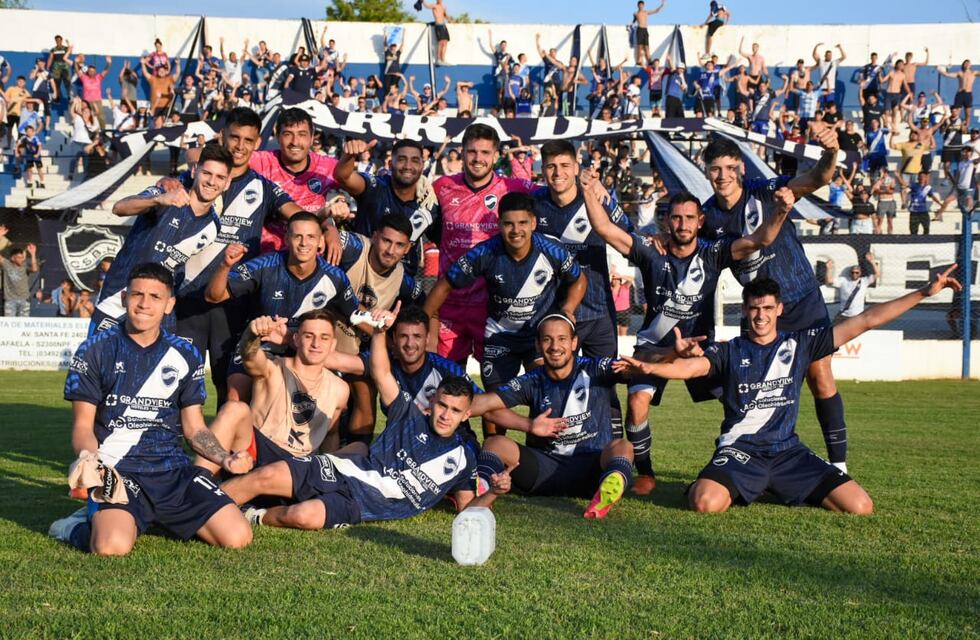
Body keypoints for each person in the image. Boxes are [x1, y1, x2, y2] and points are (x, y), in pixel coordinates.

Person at [614, 268, 962, 514]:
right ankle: (728, 481)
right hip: (741, 452)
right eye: (754, 309)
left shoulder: (802, 344)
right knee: (705, 503)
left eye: (767, 308)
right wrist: (650, 367)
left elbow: (866, 320)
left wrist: (924, 293)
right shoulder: (730, 350)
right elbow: (690, 367)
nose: (761, 316)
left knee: (860, 506)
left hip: (788, 453)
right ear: (744, 311)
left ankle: (777, 484)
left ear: (779, 309)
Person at [219, 307, 522, 530]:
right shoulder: (408, 414)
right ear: (431, 403)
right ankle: (203, 506)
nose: (446, 414)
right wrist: (378, 333)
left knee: (301, 516)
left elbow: (469, 511)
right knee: (265, 477)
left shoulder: (463, 458)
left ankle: (253, 515)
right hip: (341, 471)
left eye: (455, 411)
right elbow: (381, 373)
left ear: (467, 415)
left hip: (359, 505)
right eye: (442, 405)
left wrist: (493, 493)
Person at [583, 174, 794, 495]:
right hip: (654, 348)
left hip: (702, 351)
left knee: (745, 400)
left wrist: (780, 211)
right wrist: (587, 190)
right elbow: (604, 229)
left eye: (689, 218)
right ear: (667, 221)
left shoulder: (712, 253)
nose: (682, 224)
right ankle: (647, 473)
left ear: (701, 222)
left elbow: (760, 239)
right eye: (677, 217)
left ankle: (744, 464)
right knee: (637, 401)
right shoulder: (650, 251)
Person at [48, 264, 254, 555]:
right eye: (137, 295)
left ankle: (154, 515)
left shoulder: (186, 354)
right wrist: (88, 458)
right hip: (119, 470)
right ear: (124, 298)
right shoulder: (94, 350)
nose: (144, 304)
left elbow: (194, 428)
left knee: (238, 537)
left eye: (155, 297)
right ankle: (76, 526)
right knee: (111, 547)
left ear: (169, 304)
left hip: (173, 472)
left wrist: (225, 458)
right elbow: (83, 426)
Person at [699, 131, 852, 474]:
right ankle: (743, 457)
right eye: (714, 169)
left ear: (740, 168)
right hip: (759, 314)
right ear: (706, 171)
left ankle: (838, 465)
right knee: (747, 391)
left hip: (802, 300)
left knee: (821, 375)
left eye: (728, 167)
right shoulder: (707, 219)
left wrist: (831, 152)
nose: (722, 176)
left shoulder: (767, 191)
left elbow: (818, 176)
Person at [155, 109, 308, 404]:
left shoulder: (263, 188)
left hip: (234, 303)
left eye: (248, 140)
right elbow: (166, 191)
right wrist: (166, 180)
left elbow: (299, 217)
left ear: (257, 142)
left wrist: (325, 224)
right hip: (187, 301)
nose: (239, 146)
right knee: (178, 380)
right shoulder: (197, 178)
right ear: (222, 136)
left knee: (231, 384)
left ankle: (228, 447)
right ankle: (171, 448)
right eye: (234, 137)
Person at [425, 192, 585, 434]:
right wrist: (422, 321)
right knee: (493, 405)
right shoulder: (486, 252)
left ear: (533, 223)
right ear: (499, 224)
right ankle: (492, 460)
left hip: (537, 339)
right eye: (508, 223)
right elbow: (445, 283)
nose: (515, 230)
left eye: (522, 223)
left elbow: (579, 280)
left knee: (547, 397)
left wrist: (568, 309)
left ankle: (545, 456)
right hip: (500, 338)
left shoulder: (551, 250)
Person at [469, 314, 635, 520]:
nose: (555, 346)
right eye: (547, 339)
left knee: (622, 447)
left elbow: (631, 371)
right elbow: (486, 405)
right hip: (544, 470)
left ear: (574, 342)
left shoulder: (595, 368)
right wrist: (529, 425)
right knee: (494, 444)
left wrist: (634, 370)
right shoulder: (532, 380)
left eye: (562, 339)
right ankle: (481, 494)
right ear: (538, 345)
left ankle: (608, 489)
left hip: (592, 468)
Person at [204, 213, 365, 402]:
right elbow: (213, 296)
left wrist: (381, 322)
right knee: (236, 394)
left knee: (330, 399)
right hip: (262, 342)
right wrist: (225, 265)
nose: (304, 243)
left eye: (311, 237)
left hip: (305, 348)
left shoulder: (335, 277)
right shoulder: (265, 265)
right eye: (298, 236)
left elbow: (357, 315)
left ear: (321, 240)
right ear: (287, 238)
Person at [89, 144, 231, 335]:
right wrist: (158, 200)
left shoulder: (213, 227)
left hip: (160, 308)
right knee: (97, 361)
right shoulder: (165, 194)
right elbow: (119, 208)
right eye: (207, 173)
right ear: (195, 171)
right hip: (117, 296)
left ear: (227, 182)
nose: (212, 182)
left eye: (220, 177)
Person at [431, 123, 537, 366]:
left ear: (496, 156)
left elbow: (556, 196)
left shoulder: (513, 188)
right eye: (472, 152)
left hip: (493, 306)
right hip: (450, 304)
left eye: (485, 153)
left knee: (495, 388)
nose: (478, 159)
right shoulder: (442, 187)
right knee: (447, 382)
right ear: (462, 152)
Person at [195, 311, 350, 475]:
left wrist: (329, 478)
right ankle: (198, 485)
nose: (316, 344)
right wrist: (253, 334)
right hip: (256, 452)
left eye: (324, 338)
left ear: (333, 344)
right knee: (234, 409)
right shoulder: (273, 367)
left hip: (297, 466)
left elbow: (331, 435)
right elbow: (250, 356)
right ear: (296, 339)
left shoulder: (340, 388)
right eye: (308, 336)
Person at [334, 216, 426, 445]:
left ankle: (356, 455)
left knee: (366, 393)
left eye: (399, 245)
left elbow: (424, 309)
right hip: (322, 338)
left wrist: (406, 332)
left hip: (358, 349)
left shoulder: (405, 280)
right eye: (386, 241)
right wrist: (328, 226)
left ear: (408, 249)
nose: (391, 250)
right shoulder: (355, 248)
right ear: (374, 236)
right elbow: (316, 229)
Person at [333, 138, 439, 276]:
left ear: (422, 165)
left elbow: (445, 240)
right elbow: (343, 176)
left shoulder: (429, 204)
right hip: (361, 278)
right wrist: (350, 155)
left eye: (415, 160)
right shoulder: (375, 187)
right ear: (390, 164)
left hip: (403, 285)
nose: (408, 166)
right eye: (401, 159)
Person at [249, 108, 341, 255]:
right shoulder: (260, 161)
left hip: (310, 257)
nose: (295, 142)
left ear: (311, 138)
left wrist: (331, 227)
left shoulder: (328, 167)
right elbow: (218, 158)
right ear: (277, 136)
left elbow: (361, 188)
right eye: (287, 134)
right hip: (265, 257)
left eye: (302, 135)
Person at [825, 253, 880, 320]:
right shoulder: (843, 280)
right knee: (832, 329)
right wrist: (829, 268)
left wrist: (872, 261)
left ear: (860, 273)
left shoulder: (864, 281)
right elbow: (829, 280)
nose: (854, 274)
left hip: (857, 316)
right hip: (843, 314)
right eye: (853, 272)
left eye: (857, 272)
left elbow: (877, 274)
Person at [0, 244, 38, 317]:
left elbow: (34, 269)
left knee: (23, 324)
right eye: (19, 257)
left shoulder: (24, 265)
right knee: (10, 323)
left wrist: (33, 254)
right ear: (13, 258)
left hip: (24, 299)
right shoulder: (7, 264)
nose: (21, 259)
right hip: (10, 300)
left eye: (22, 257)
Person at [904, 171, 945, 235]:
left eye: (923, 177)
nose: (922, 178)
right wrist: (905, 201)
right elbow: (905, 190)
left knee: (926, 228)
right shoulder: (914, 185)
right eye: (920, 176)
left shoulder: (927, 188)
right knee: (913, 230)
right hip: (914, 211)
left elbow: (932, 196)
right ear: (918, 178)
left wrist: (940, 203)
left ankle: (925, 241)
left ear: (926, 178)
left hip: (923, 211)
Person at [632, 1, 666, 66]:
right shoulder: (635, 13)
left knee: (646, 47)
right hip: (639, 29)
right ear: (638, 5)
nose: (641, 6)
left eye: (642, 5)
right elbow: (633, 21)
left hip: (645, 30)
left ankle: (649, 60)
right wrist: (630, 25)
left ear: (643, 5)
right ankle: (638, 61)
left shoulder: (646, 12)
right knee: (640, 46)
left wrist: (662, 5)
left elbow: (656, 11)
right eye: (639, 5)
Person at [422, 0, 451, 65]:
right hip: (438, 25)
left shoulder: (444, 7)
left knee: (445, 42)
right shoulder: (434, 6)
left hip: (444, 25)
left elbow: (445, 15)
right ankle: (438, 59)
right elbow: (427, 6)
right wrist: (423, 1)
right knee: (441, 42)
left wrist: (449, 19)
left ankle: (443, 59)